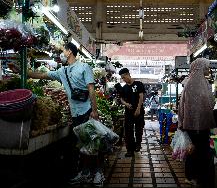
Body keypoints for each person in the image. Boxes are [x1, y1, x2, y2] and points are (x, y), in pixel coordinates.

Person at [9, 42, 103, 185]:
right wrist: (20, 70)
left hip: (87, 111)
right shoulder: (62, 71)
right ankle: (85, 173)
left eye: (63, 51)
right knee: (81, 144)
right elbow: (40, 75)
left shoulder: (84, 67)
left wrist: (94, 111)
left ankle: (97, 173)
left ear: (69, 52)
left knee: (90, 143)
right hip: (75, 114)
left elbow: (91, 89)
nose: (61, 53)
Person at [178, 58, 216, 188]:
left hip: (201, 123)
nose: (208, 69)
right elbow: (185, 105)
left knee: (200, 151)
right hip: (193, 124)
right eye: (206, 67)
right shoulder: (193, 84)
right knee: (194, 151)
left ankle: (198, 176)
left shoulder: (202, 82)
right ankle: (190, 176)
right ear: (200, 68)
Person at [119, 68, 145, 157]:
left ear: (128, 74)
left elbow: (141, 97)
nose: (123, 79)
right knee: (128, 131)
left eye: (124, 77)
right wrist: (126, 104)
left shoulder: (138, 84)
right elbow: (121, 99)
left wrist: (138, 109)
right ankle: (130, 149)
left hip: (139, 111)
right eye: (122, 78)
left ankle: (138, 144)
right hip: (128, 112)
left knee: (139, 129)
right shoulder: (124, 88)